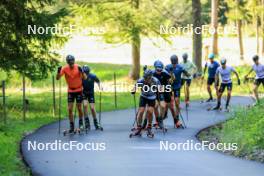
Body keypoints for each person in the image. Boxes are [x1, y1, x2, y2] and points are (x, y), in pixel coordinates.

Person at [56, 55, 87, 133]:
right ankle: (72, 126)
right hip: (70, 91)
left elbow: (85, 78)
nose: (71, 65)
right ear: (68, 63)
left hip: (79, 90)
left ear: (74, 61)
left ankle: (81, 124)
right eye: (70, 63)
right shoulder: (65, 68)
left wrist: (82, 72)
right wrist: (58, 72)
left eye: (72, 63)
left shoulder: (78, 67)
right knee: (70, 109)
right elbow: (57, 78)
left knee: (79, 108)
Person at [131, 69, 160, 137]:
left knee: (150, 111)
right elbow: (135, 87)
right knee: (141, 111)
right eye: (145, 77)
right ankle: (139, 127)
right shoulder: (141, 80)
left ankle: (149, 127)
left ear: (150, 77)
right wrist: (133, 90)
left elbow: (160, 88)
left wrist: (159, 91)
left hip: (152, 97)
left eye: (147, 77)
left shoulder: (155, 80)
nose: (146, 79)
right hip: (143, 96)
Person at [165, 55, 189, 128]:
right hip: (169, 86)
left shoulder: (180, 67)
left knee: (177, 101)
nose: (174, 65)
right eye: (173, 63)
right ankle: (165, 113)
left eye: (175, 63)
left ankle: (177, 117)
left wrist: (187, 75)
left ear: (177, 62)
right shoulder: (167, 67)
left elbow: (187, 74)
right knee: (168, 102)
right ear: (171, 62)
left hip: (177, 86)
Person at [152, 60, 171, 129]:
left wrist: (168, 91)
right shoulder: (152, 73)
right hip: (154, 91)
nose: (159, 70)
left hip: (162, 90)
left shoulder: (166, 74)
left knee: (163, 106)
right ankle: (157, 120)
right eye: (157, 68)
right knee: (155, 106)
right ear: (155, 67)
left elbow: (170, 82)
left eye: (160, 69)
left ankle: (160, 119)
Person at [82, 65, 102, 130]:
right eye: (85, 72)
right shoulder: (81, 77)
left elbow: (98, 81)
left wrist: (100, 87)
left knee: (92, 108)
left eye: (87, 72)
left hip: (91, 93)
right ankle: (87, 123)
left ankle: (96, 123)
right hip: (84, 93)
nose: (86, 74)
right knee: (85, 106)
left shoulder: (92, 76)